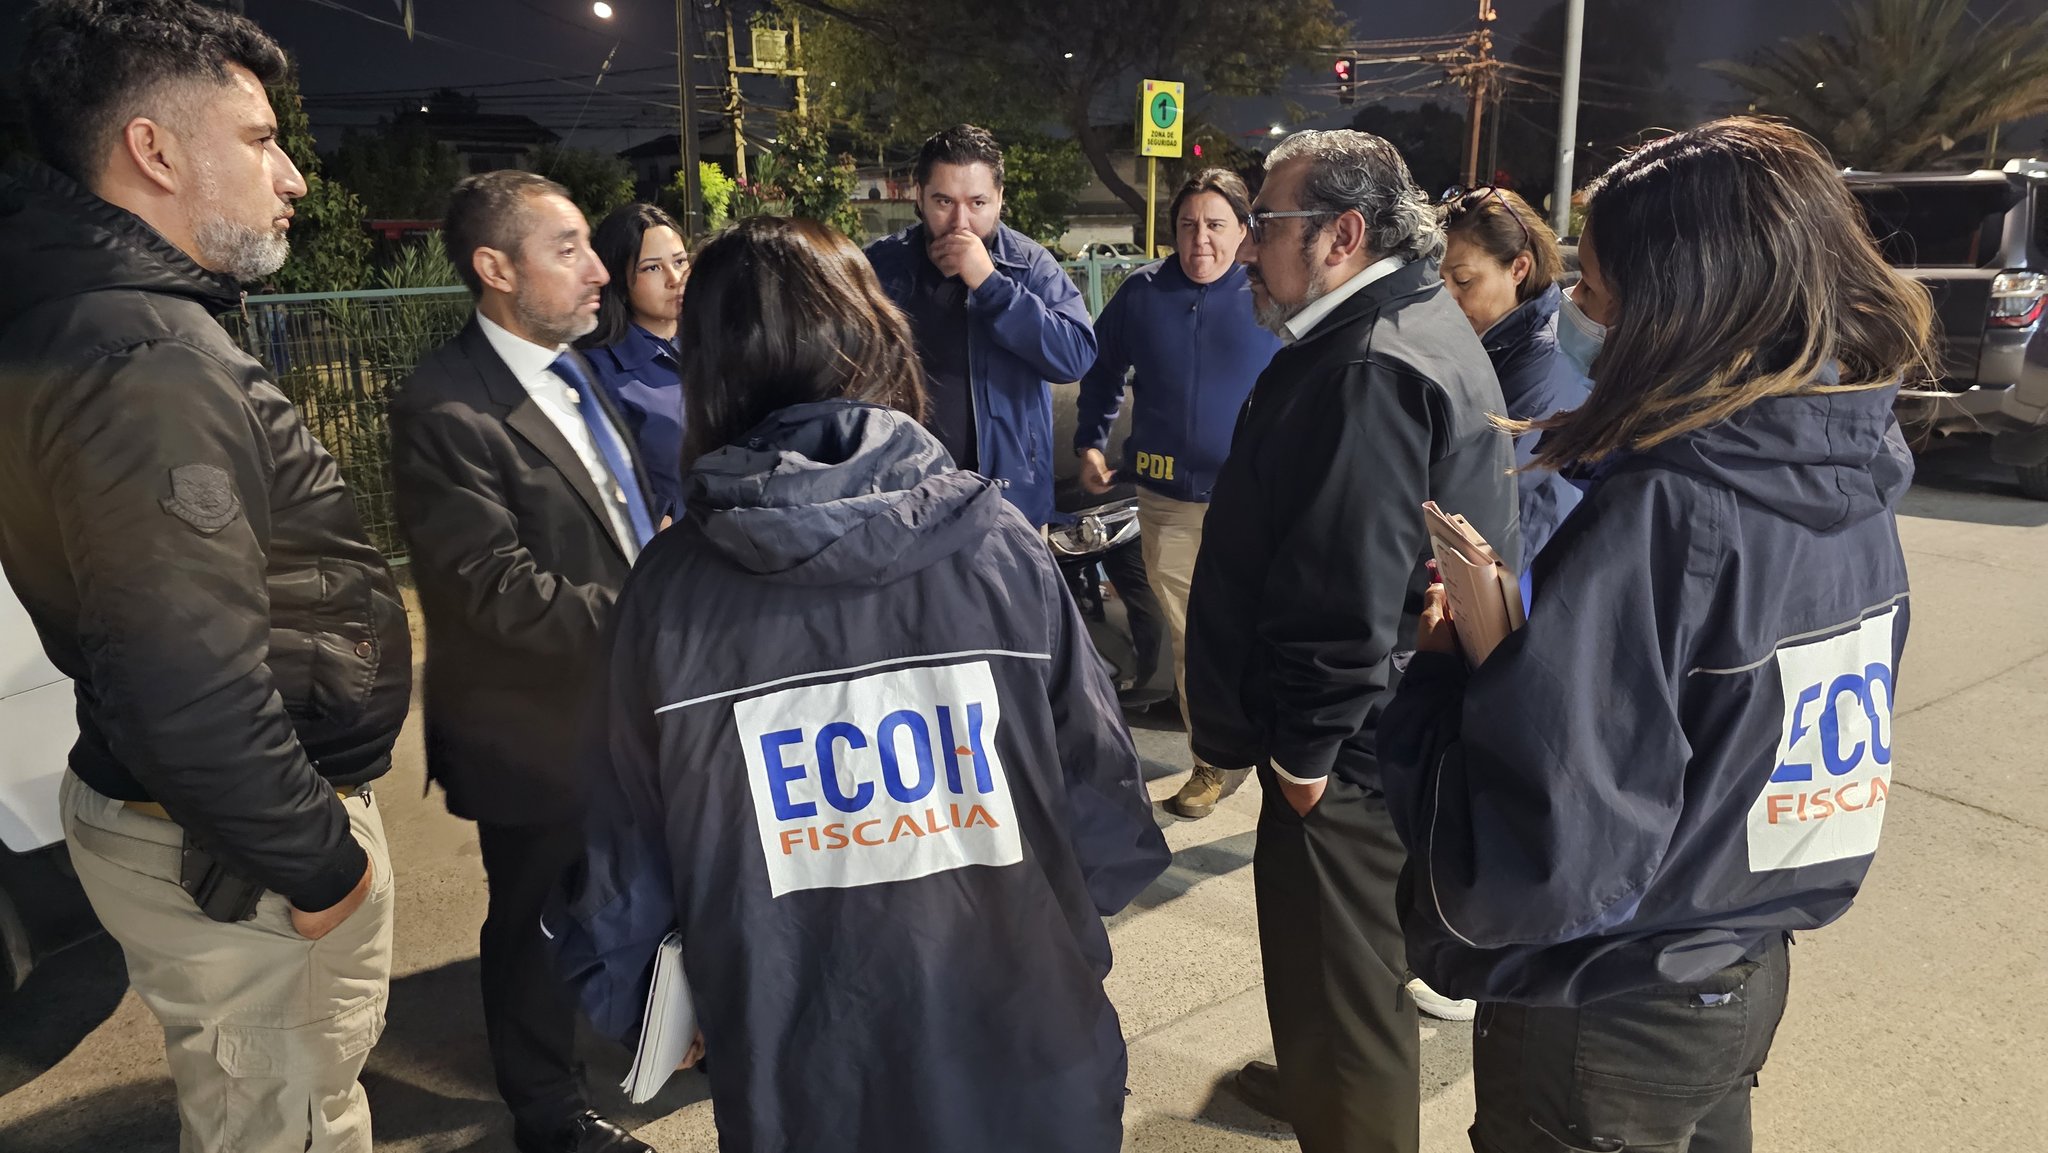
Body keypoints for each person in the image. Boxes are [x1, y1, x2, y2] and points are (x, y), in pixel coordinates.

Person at [547, 216, 1170, 1153]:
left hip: (804, 1077)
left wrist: (635, 990)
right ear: (874, 337)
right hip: (1029, 1052)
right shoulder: (999, 546)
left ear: (711, 370)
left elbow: (620, 854)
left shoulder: (669, 597)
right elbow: (1107, 816)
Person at [1380, 117, 1930, 1153]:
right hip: (1739, 965)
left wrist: (1455, 674)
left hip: (1609, 1001)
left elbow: (1537, 850)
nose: (1573, 319)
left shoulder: (1670, 509)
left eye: (1589, 290)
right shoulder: (1854, 473)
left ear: (1682, 307)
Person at [0, 2, 410, 1149]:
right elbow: (182, 678)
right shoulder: (147, 361)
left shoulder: (81, 322)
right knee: (286, 1121)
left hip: (192, 825)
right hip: (244, 856)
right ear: (155, 150)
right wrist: (322, 866)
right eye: (259, 138)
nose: (292, 178)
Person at [1182, 130, 1520, 1153]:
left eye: (1263, 226)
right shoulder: (1401, 320)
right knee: (1341, 990)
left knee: (1345, 1010)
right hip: (1391, 735)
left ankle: (1339, 1110)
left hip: (1348, 758)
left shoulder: (1364, 365)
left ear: (1340, 234)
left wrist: (1300, 762)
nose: (1245, 250)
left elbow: (1343, 592)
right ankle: (1315, 1085)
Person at [389, 170, 658, 1153]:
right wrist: (659, 613)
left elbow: (615, 518)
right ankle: (547, 1113)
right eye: (569, 250)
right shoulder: (443, 408)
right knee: (537, 921)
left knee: (624, 888)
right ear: (494, 268)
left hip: (622, 704)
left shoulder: (572, 365)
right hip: (533, 732)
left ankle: (642, 1034)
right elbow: (493, 590)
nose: (600, 272)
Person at [1073, 168, 1282, 820]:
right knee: (1195, 638)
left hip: (1260, 500)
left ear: (1244, 231)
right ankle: (1210, 761)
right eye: (1188, 225)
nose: (1200, 240)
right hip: (1168, 500)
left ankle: (1279, 755)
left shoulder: (1271, 294)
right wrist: (1090, 439)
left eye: (1216, 225)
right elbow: (1103, 369)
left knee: (1266, 634)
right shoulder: (1141, 294)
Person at [866, 123, 1098, 528]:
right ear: (917, 195)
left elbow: (1075, 357)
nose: (961, 222)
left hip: (1010, 503)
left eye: (977, 203)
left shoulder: (1029, 266)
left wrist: (991, 285)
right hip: (903, 502)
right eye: (943, 201)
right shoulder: (879, 268)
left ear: (999, 199)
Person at [1439, 184, 1590, 567]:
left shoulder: (1548, 356)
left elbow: (1492, 484)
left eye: (1464, 281)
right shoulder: (1495, 335)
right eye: (1441, 282)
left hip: (1511, 563)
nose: (1450, 299)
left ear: (1519, 268)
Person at [578, 202, 690, 520]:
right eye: (651, 268)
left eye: (680, 261)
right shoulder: (600, 371)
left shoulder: (716, 344)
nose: (674, 278)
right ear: (618, 281)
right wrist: (661, 516)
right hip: (675, 552)